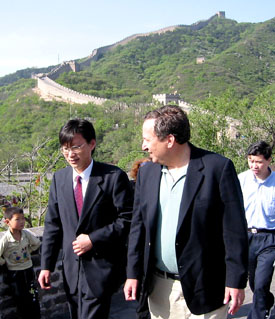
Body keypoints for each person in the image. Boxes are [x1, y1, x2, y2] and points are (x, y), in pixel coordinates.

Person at [124, 105, 249, 319]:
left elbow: (234, 231)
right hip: (159, 289)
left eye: (148, 139)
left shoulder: (216, 169)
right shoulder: (147, 173)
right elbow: (138, 227)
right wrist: (133, 273)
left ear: (169, 140)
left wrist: (236, 281)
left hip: (205, 287)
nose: (143, 146)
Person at [38, 118, 133, 319]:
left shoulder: (112, 177)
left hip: (101, 267)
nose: (70, 154)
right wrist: (47, 265)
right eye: (65, 148)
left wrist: (93, 239)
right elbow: (53, 225)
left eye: (76, 147)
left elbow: (127, 219)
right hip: (71, 269)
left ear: (92, 144)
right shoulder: (59, 179)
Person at [238, 141, 275, 319]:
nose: (254, 166)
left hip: (268, 239)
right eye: (251, 161)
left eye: (258, 162)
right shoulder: (241, 180)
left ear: (268, 160)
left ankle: (257, 316)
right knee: (254, 283)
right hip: (246, 237)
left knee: (261, 282)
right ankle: (266, 301)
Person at [0, 206, 41, 319]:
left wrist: (29, 251)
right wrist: (5, 261)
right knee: (20, 299)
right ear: (7, 222)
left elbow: (37, 243)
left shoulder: (26, 235)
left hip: (28, 270)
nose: (22, 222)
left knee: (33, 295)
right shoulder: (6, 240)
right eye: (17, 219)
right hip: (15, 274)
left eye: (23, 218)